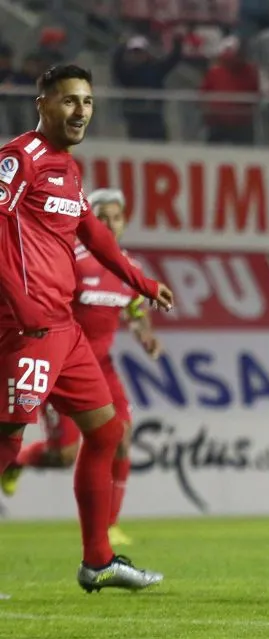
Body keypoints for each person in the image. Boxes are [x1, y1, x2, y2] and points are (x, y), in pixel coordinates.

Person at [0, 64, 174, 592]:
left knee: (106, 430)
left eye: (88, 102)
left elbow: (91, 232)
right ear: (43, 103)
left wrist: (140, 280)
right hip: (26, 327)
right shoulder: (18, 159)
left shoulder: (68, 170)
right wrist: (20, 304)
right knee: (7, 441)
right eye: (70, 100)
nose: (81, 111)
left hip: (63, 327)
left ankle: (98, 560)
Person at [0, 187, 163, 548]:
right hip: (60, 362)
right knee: (63, 455)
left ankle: (109, 528)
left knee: (120, 436)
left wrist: (145, 335)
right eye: (101, 216)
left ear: (124, 222)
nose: (108, 223)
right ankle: (18, 462)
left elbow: (136, 312)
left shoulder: (127, 268)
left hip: (100, 365)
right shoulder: (70, 258)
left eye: (115, 217)